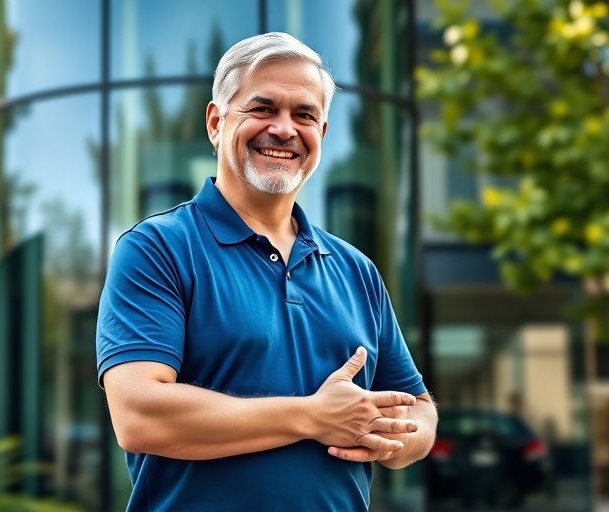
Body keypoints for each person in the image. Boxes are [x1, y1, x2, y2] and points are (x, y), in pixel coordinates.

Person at [96, 32, 437, 511]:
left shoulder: (356, 269)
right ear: (216, 123)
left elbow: (419, 408)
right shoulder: (157, 248)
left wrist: (391, 436)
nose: (284, 129)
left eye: (305, 115)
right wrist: (313, 417)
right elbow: (139, 416)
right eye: (262, 109)